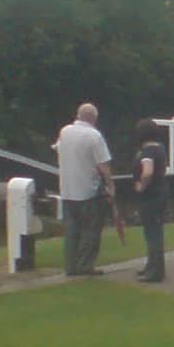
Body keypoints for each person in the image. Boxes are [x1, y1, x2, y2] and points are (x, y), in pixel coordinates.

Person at [53, 103, 113, 276]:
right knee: (91, 230)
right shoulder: (94, 135)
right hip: (88, 190)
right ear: (94, 118)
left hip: (67, 189)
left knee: (71, 231)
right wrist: (111, 186)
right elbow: (103, 165)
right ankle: (85, 265)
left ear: (78, 115)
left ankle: (70, 267)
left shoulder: (64, 131)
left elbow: (57, 148)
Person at [131, 118, 169, 282]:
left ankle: (155, 271)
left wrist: (141, 185)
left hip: (150, 196)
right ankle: (153, 266)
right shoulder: (160, 149)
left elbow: (147, 172)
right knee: (156, 231)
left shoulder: (147, 153)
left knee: (152, 233)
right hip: (160, 192)